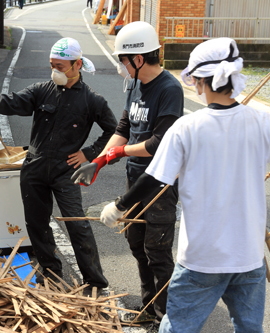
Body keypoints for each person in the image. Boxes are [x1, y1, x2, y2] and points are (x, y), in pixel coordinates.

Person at [100, 37, 270, 333]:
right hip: (248, 258)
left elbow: (156, 179)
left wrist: (119, 206)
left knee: (179, 328)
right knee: (249, 329)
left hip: (201, 259)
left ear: (198, 81)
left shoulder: (187, 127)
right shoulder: (264, 122)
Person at [0, 37, 117, 296]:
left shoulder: (92, 100)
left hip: (66, 171)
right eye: (52, 65)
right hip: (34, 166)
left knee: (77, 224)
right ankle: (50, 273)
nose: (55, 71)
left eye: (61, 66)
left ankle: (95, 282)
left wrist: (89, 153)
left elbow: (113, 131)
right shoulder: (41, 90)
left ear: (77, 64)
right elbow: (13, 101)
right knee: (36, 224)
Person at [71, 21, 184, 332]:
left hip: (160, 184)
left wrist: (118, 154)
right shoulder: (135, 85)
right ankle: (150, 305)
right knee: (136, 242)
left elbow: (159, 145)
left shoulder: (169, 90)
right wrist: (98, 161)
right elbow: (123, 129)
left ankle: (165, 315)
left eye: (122, 60)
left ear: (137, 59)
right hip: (135, 180)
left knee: (157, 249)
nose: (120, 66)